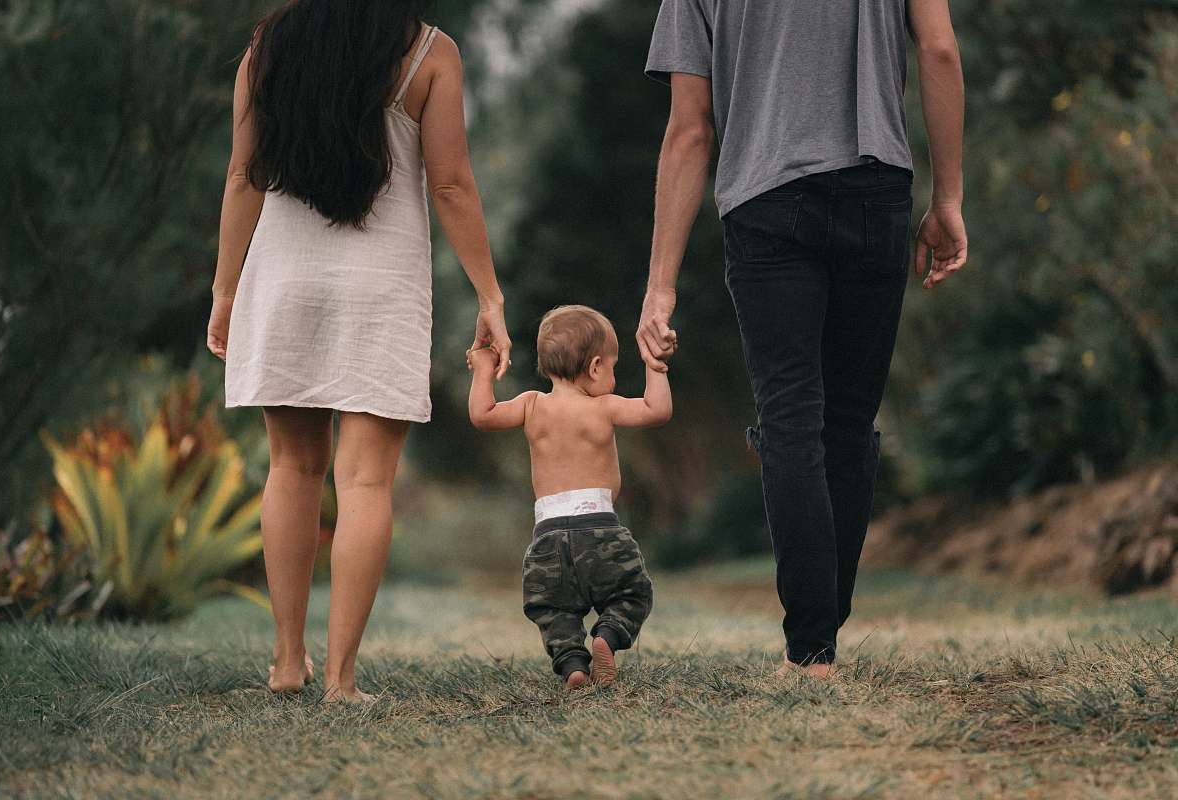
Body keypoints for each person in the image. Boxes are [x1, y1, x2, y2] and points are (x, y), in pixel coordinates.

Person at [641, 0, 968, 676]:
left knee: (791, 418)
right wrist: (948, 201)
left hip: (766, 202)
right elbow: (938, 51)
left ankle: (811, 650)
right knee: (848, 423)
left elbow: (689, 132)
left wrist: (660, 286)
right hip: (879, 189)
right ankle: (821, 632)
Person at [206, 1, 511, 702]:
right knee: (366, 481)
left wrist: (226, 289)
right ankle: (340, 680)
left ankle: (287, 664)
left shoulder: (268, 46)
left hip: (282, 279)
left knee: (291, 467)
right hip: (380, 285)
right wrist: (489, 295)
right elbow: (453, 184)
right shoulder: (431, 52)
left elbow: (241, 176)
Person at [466, 305, 674, 688]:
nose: (612, 376)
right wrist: (655, 364)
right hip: (601, 530)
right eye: (612, 367)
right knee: (631, 592)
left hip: (547, 539)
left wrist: (483, 368)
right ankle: (606, 637)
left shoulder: (530, 405)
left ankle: (573, 666)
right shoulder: (603, 407)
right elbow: (656, 410)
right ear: (595, 367)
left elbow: (483, 415)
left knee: (553, 610)